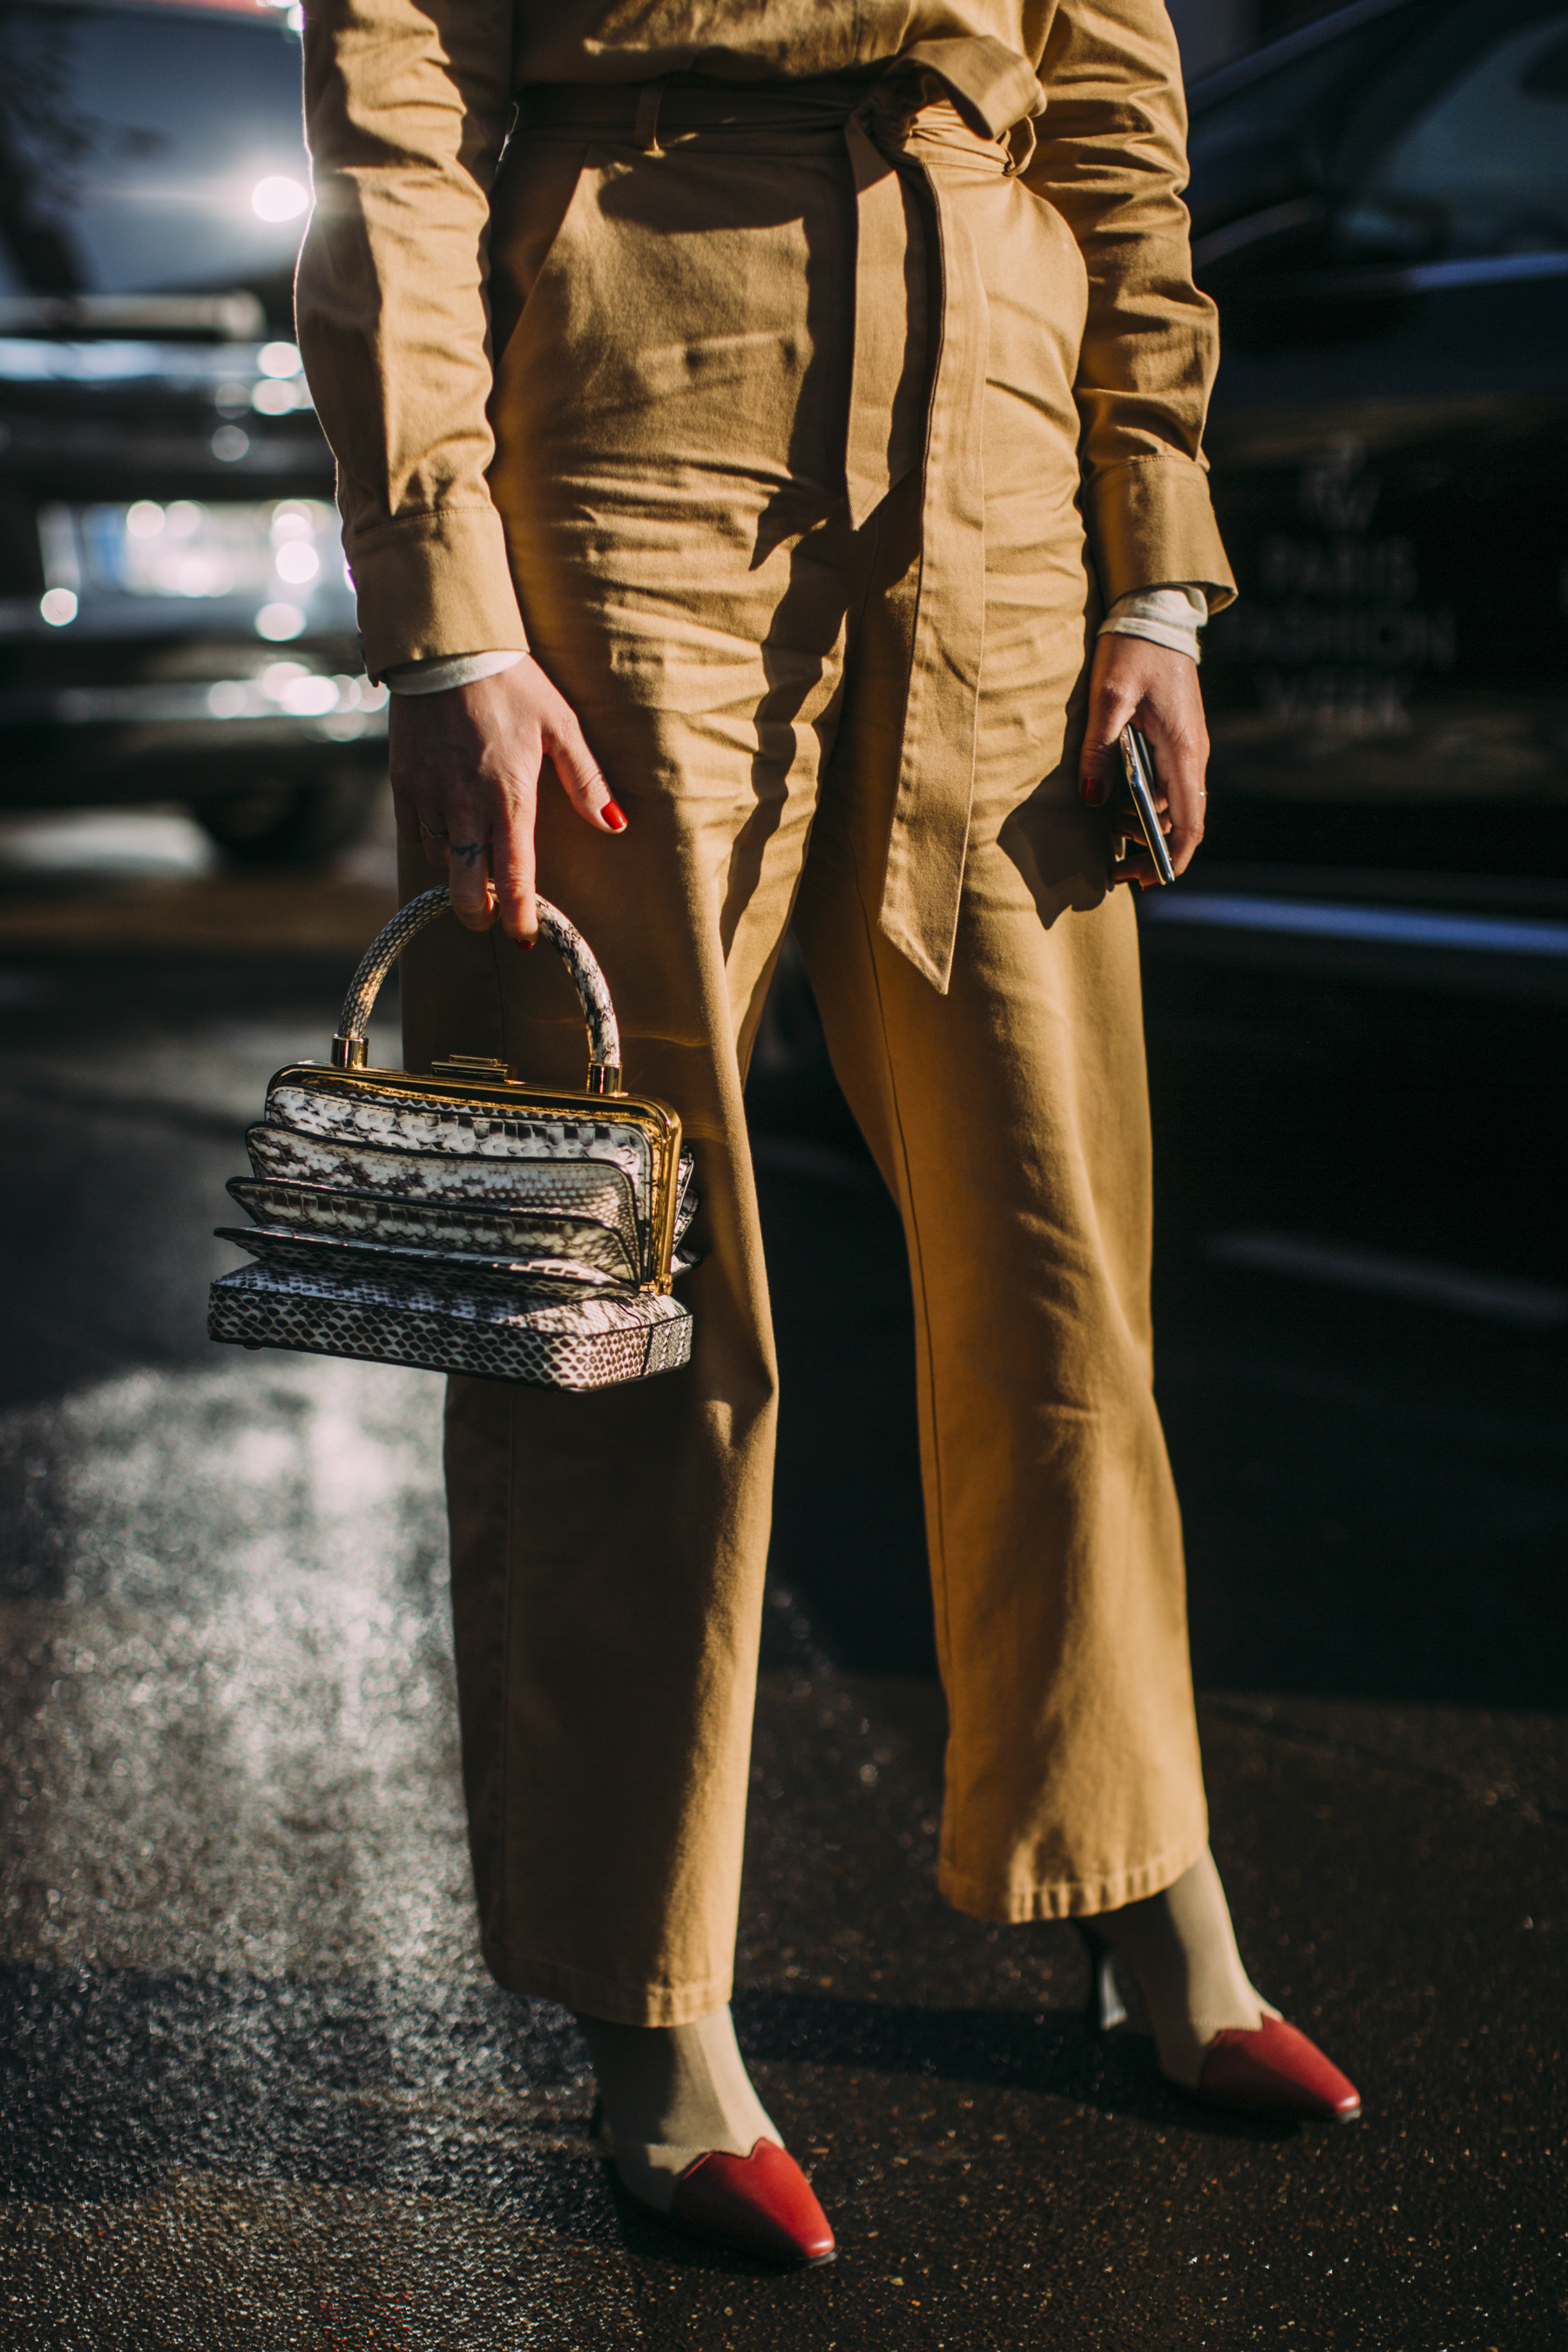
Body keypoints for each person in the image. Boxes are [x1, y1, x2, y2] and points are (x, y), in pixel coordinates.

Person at [297, 0, 1360, 2268]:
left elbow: (1117, 106)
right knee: (631, 1271)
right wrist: (440, 604)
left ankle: (1140, 1864)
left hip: (995, 442)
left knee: (1065, 1242)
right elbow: (395, 90)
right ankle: (649, 1996)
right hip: (634, 392)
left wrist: (1153, 559)